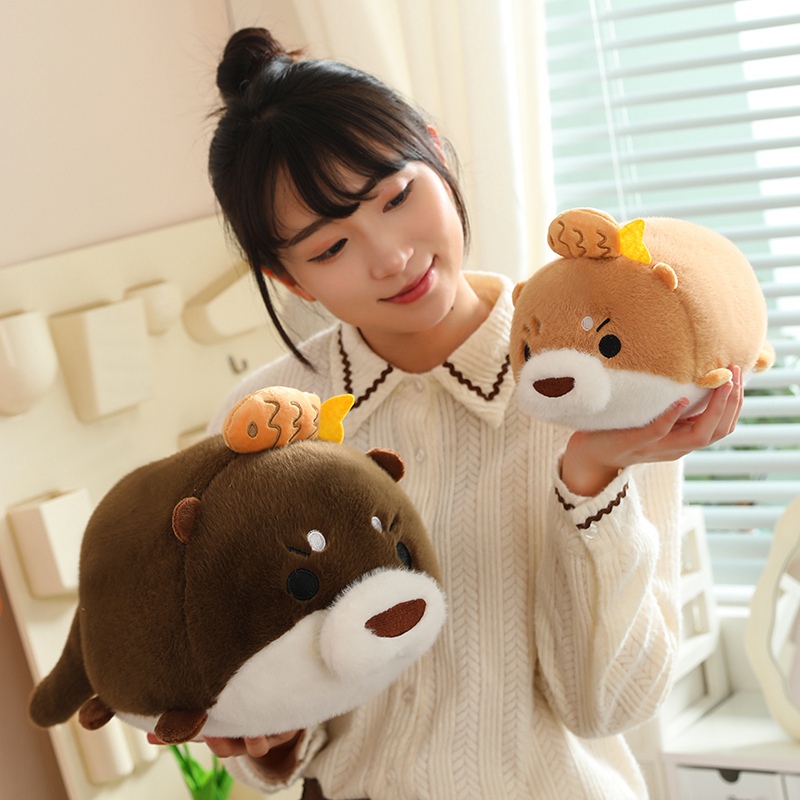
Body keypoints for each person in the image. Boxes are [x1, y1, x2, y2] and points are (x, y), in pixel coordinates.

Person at [198, 27, 743, 800]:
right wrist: (269, 730)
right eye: (329, 248)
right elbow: (265, 696)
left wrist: (591, 479)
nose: (390, 256)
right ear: (288, 279)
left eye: (396, 197)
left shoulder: (605, 376)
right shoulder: (262, 425)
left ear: (435, 151)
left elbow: (607, 707)